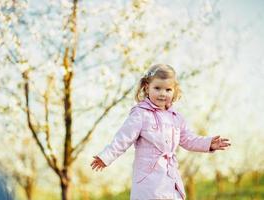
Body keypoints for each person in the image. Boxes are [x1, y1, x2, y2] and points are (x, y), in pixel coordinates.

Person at [91, 64, 230, 200]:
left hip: (170, 179)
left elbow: (188, 139)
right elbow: (123, 138)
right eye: (157, 88)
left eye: (168, 90)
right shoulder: (141, 114)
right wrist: (106, 156)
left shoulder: (176, 117)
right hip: (149, 181)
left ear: (174, 91)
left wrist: (208, 143)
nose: (162, 94)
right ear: (147, 87)